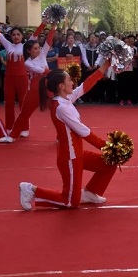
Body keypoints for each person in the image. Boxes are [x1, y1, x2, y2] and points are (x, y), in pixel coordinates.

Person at [18, 59, 116, 211]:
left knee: (109, 163)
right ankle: (31, 190)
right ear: (61, 86)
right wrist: (109, 147)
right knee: (70, 202)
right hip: (70, 158)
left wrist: (105, 66)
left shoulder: (66, 99)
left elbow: (86, 85)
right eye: (69, 79)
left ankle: (90, 193)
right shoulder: (61, 108)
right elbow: (84, 132)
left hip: (78, 153)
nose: (72, 82)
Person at [0, 16, 45, 130]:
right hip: (9, 78)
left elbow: (36, 34)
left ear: (22, 36)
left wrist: (44, 23)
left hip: (22, 78)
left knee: (23, 103)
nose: (16, 36)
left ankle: (25, 127)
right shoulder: (8, 45)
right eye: (13, 35)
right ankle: (9, 127)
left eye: (18, 34)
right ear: (11, 36)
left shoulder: (26, 46)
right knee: (9, 103)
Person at [9, 23, 56, 139]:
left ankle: (61, 135)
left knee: (56, 112)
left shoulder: (43, 54)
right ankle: (13, 135)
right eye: (35, 48)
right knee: (24, 113)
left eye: (39, 48)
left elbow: (48, 41)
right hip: (34, 89)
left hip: (47, 86)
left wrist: (53, 28)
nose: (38, 50)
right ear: (29, 51)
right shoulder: (27, 63)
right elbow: (41, 71)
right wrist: (54, 72)